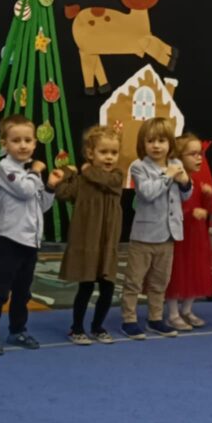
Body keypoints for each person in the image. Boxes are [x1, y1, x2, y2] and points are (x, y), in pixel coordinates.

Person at [0, 115, 65, 356]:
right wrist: (37, 172)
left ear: (35, 143)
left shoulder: (30, 172)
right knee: (0, 291)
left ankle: (17, 330)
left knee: (23, 291)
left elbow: (41, 206)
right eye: (16, 140)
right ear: (5, 144)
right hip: (9, 240)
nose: (23, 145)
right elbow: (26, 191)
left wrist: (50, 186)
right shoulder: (5, 167)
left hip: (30, 241)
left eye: (28, 140)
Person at [120, 117, 191, 339]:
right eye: (150, 141)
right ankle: (129, 319)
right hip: (144, 236)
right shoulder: (139, 167)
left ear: (170, 143)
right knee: (134, 281)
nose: (156, 146)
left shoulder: (176, 164)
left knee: (160, 282)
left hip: (168, 235)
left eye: (161, 141)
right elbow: (148, 193)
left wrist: (185, 182)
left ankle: (155, 318)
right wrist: (167, 175)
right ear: (143, 144)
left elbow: (185, 196)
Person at [55, 125, 124, 345]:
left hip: (107, 245)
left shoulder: (116, 177)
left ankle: (98, 327)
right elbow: (62, 193)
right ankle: (76, 328)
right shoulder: (82, 180)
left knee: (107, 287)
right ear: (90, 153)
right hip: (88, 242)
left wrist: (85, 169)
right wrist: (68, 173)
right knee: (85, 287)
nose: (109, 157)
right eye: (104, 152)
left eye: (114, 152)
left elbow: (103, 180)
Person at [165, 133, 212, 331]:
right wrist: (190, 212)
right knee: (176, 274)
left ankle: (187, 310)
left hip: (197, 237)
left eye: (200, 154)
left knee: (196, 272)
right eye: (193, 154)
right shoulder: (176, 180)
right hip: (180, 236)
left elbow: (211, 208)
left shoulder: (200, 179)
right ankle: (173, 313)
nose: (198, 158)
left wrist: (209, 198)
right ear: (179, 157)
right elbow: (171, 207)